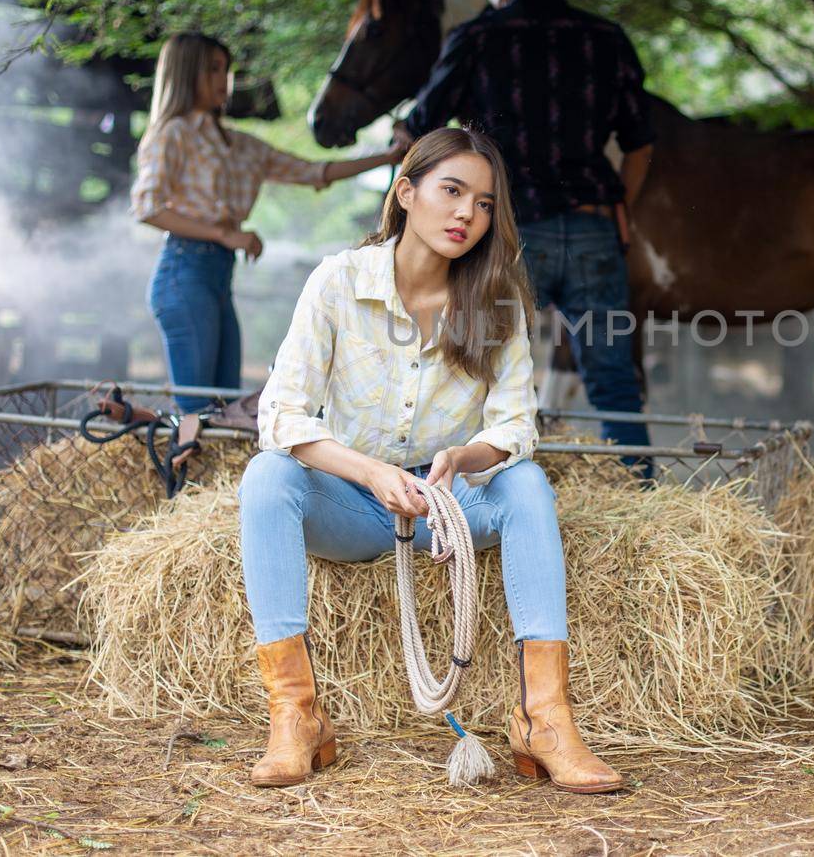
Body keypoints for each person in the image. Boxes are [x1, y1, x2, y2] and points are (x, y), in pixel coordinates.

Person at [237, 126, 623, 794]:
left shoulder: (497, 299)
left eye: (483, 203)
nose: (466, 214)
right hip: (355, 503)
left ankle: (545, 718)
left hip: (451, 504)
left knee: (526, 483)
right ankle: (296, 715)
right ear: (406, 192)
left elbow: (516, 426)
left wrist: (465, 454)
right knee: (267, 476)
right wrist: (370, 471)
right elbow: (280, 414)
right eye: (451, 191)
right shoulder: (338, 282)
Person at [395, 0, 656, 474]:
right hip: (593, 227)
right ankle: (644, 496)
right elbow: (640, 143)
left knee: (485, 372)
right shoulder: (605, 38)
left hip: (510, 235)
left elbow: (423, 127)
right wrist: (621, 211)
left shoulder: (478, 37)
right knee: (613, 379)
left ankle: (480, 495)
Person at [129, 32, 405, 412]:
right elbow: (147, 207)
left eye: (226, 70)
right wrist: (227, 235)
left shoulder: (241, 146)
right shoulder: (171, 134)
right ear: (184, 72)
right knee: (198, 411)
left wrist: (389, 157)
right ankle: (178, 469)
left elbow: (315, 171)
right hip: (184, 272)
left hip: (216, 277)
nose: (223, 80)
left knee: (225, 407)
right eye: (212, 69)